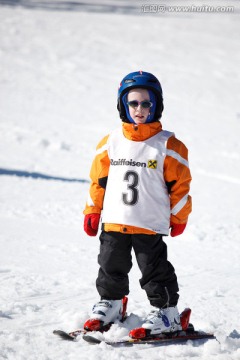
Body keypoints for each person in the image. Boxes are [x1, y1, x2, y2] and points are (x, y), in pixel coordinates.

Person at [83, 71, 192, 337]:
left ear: (157, 105)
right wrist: (92, 210)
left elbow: (181, 187)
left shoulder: (169, 145)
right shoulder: (110, 143)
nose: (140, 109)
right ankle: (111, 304)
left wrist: (179, 217)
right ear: (123, 105)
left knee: (154, 270)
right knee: (110, 265)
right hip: (115, 221)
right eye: (133, 103)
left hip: (148, 222)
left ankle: (168, 314)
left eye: (146, 103)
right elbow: (98, 181)